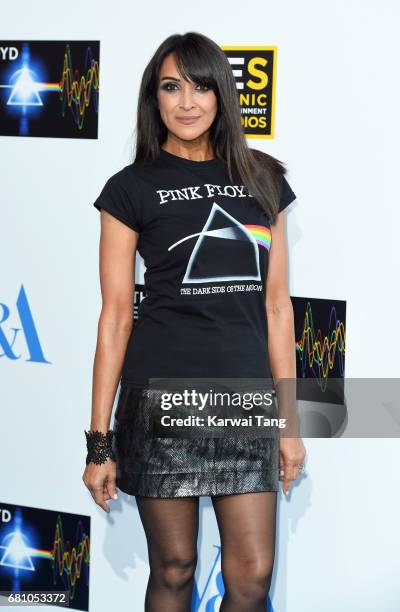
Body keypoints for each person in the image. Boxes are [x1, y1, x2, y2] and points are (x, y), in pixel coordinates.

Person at [83, 31, 306, 612]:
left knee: (253, 575)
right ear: (153, 99)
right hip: (161, 401)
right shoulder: (130, 189)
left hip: (245, 399)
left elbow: (278, 307)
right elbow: (113, 318)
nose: (187, 102)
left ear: (222, 96)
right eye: (171, 86)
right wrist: (99, 443)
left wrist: (289, 422)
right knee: (175, 569)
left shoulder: (262, 179)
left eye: (202, 86)